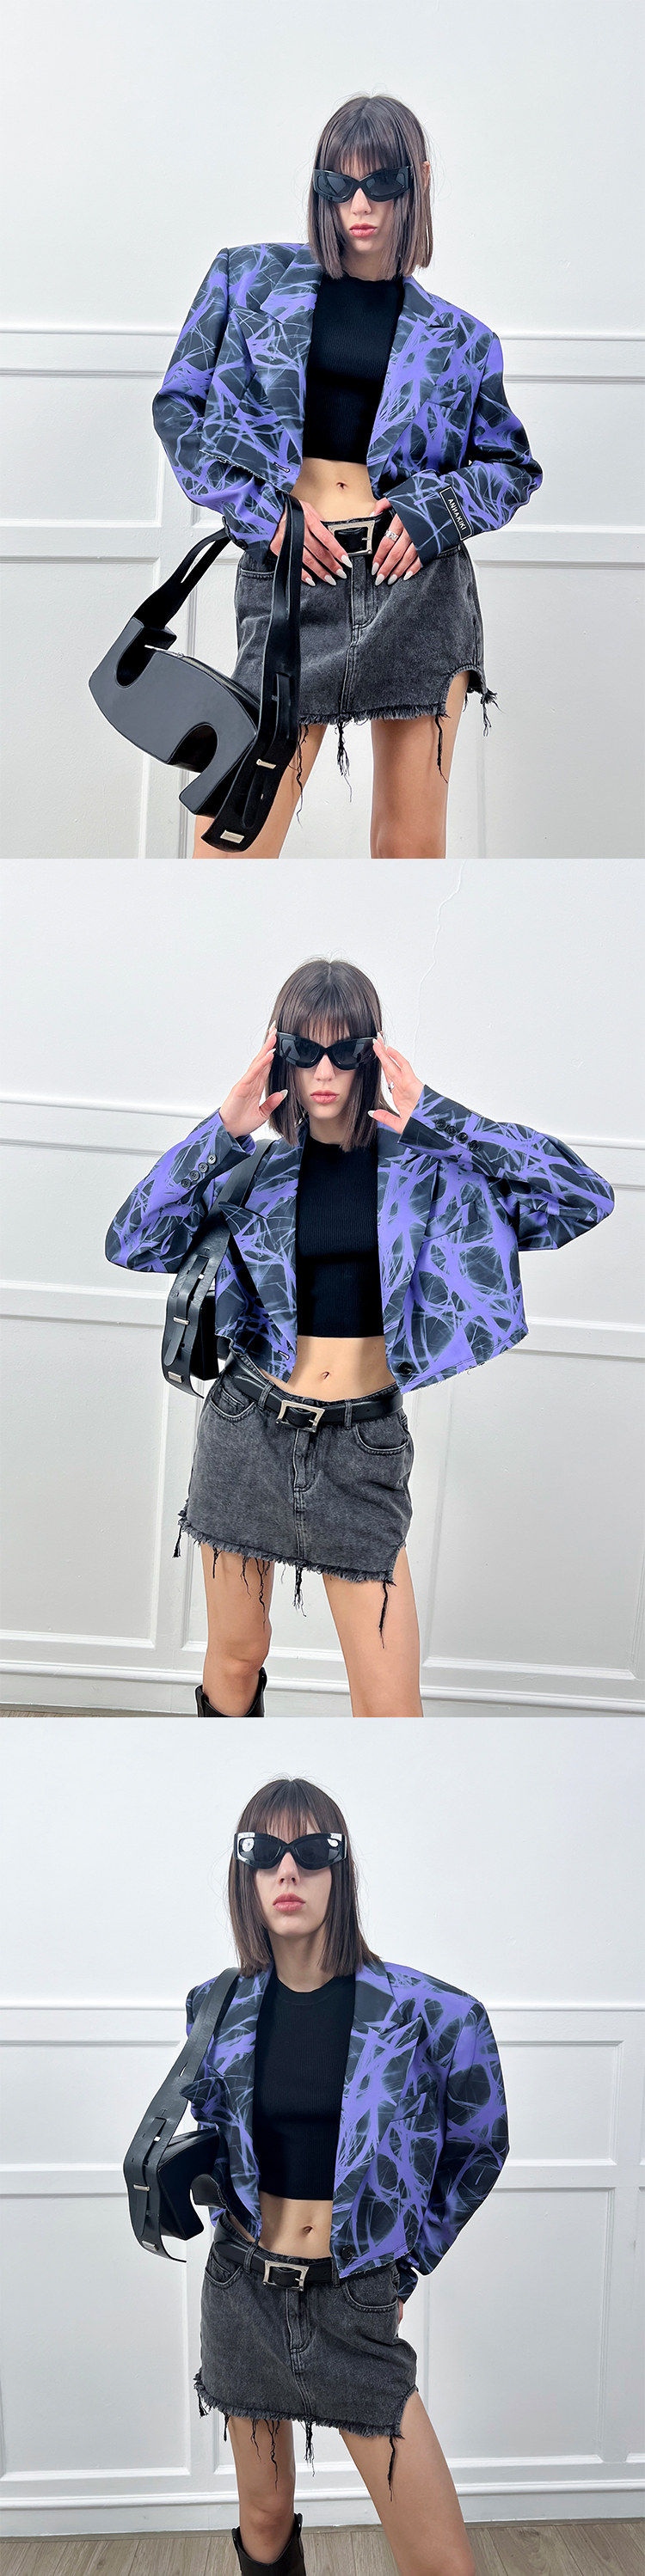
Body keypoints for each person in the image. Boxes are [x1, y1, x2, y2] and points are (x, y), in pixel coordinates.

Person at [105, 958, 614, 1720]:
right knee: (235, 1659)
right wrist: (224, 1127)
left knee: (389, 1704)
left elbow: (582, 1197)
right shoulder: (257, 1172)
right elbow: (132, 1238)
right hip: (247, 1430)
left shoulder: (426, 1171)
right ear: (278, 1054)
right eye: (303, 1049)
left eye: (344, 1051)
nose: (324, 1071)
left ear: (371, 1054)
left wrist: (440, 1115)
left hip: (363, 1447)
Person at [152, 93, 542, 860]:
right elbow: (179, 413)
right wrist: (262, 517)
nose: (358, 205)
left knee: (409, 849)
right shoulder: (247, 280)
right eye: (339, 184)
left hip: (415, 588)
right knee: (231, 843)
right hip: (293, 577)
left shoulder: (462, 340)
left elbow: (511, 466)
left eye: (381, 183)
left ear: (417, 181)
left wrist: (433, 515)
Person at [186, 1773, 508, 2576]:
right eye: (266, 1851)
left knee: (441, 2562)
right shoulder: (215, 2007)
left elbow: (482, 2144)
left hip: (355, 2299)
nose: (287, 1870)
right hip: (242, 2291)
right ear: (245, 1872)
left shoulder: (433, 2013)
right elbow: (220, 2139)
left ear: (341, 1867)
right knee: (263, 2519)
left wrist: (407, 2264)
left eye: (310, 1849)